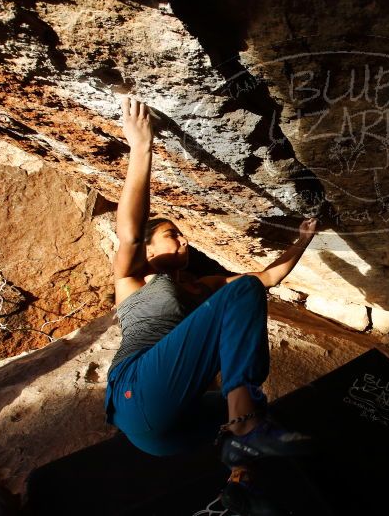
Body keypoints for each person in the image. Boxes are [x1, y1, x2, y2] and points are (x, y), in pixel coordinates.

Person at [103, 97, 317, 516]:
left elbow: (269, 278)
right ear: (150, 247)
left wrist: (304, 238)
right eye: (171, 234)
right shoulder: (133, 277)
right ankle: (247, 429)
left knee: (255, 398)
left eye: (183, 235)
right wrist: (140, 146)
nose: (183, 240)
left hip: (167, 434)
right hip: (134, 391)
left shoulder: (206, 287)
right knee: (245, 396)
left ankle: (238, 490)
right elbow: (128, 233)